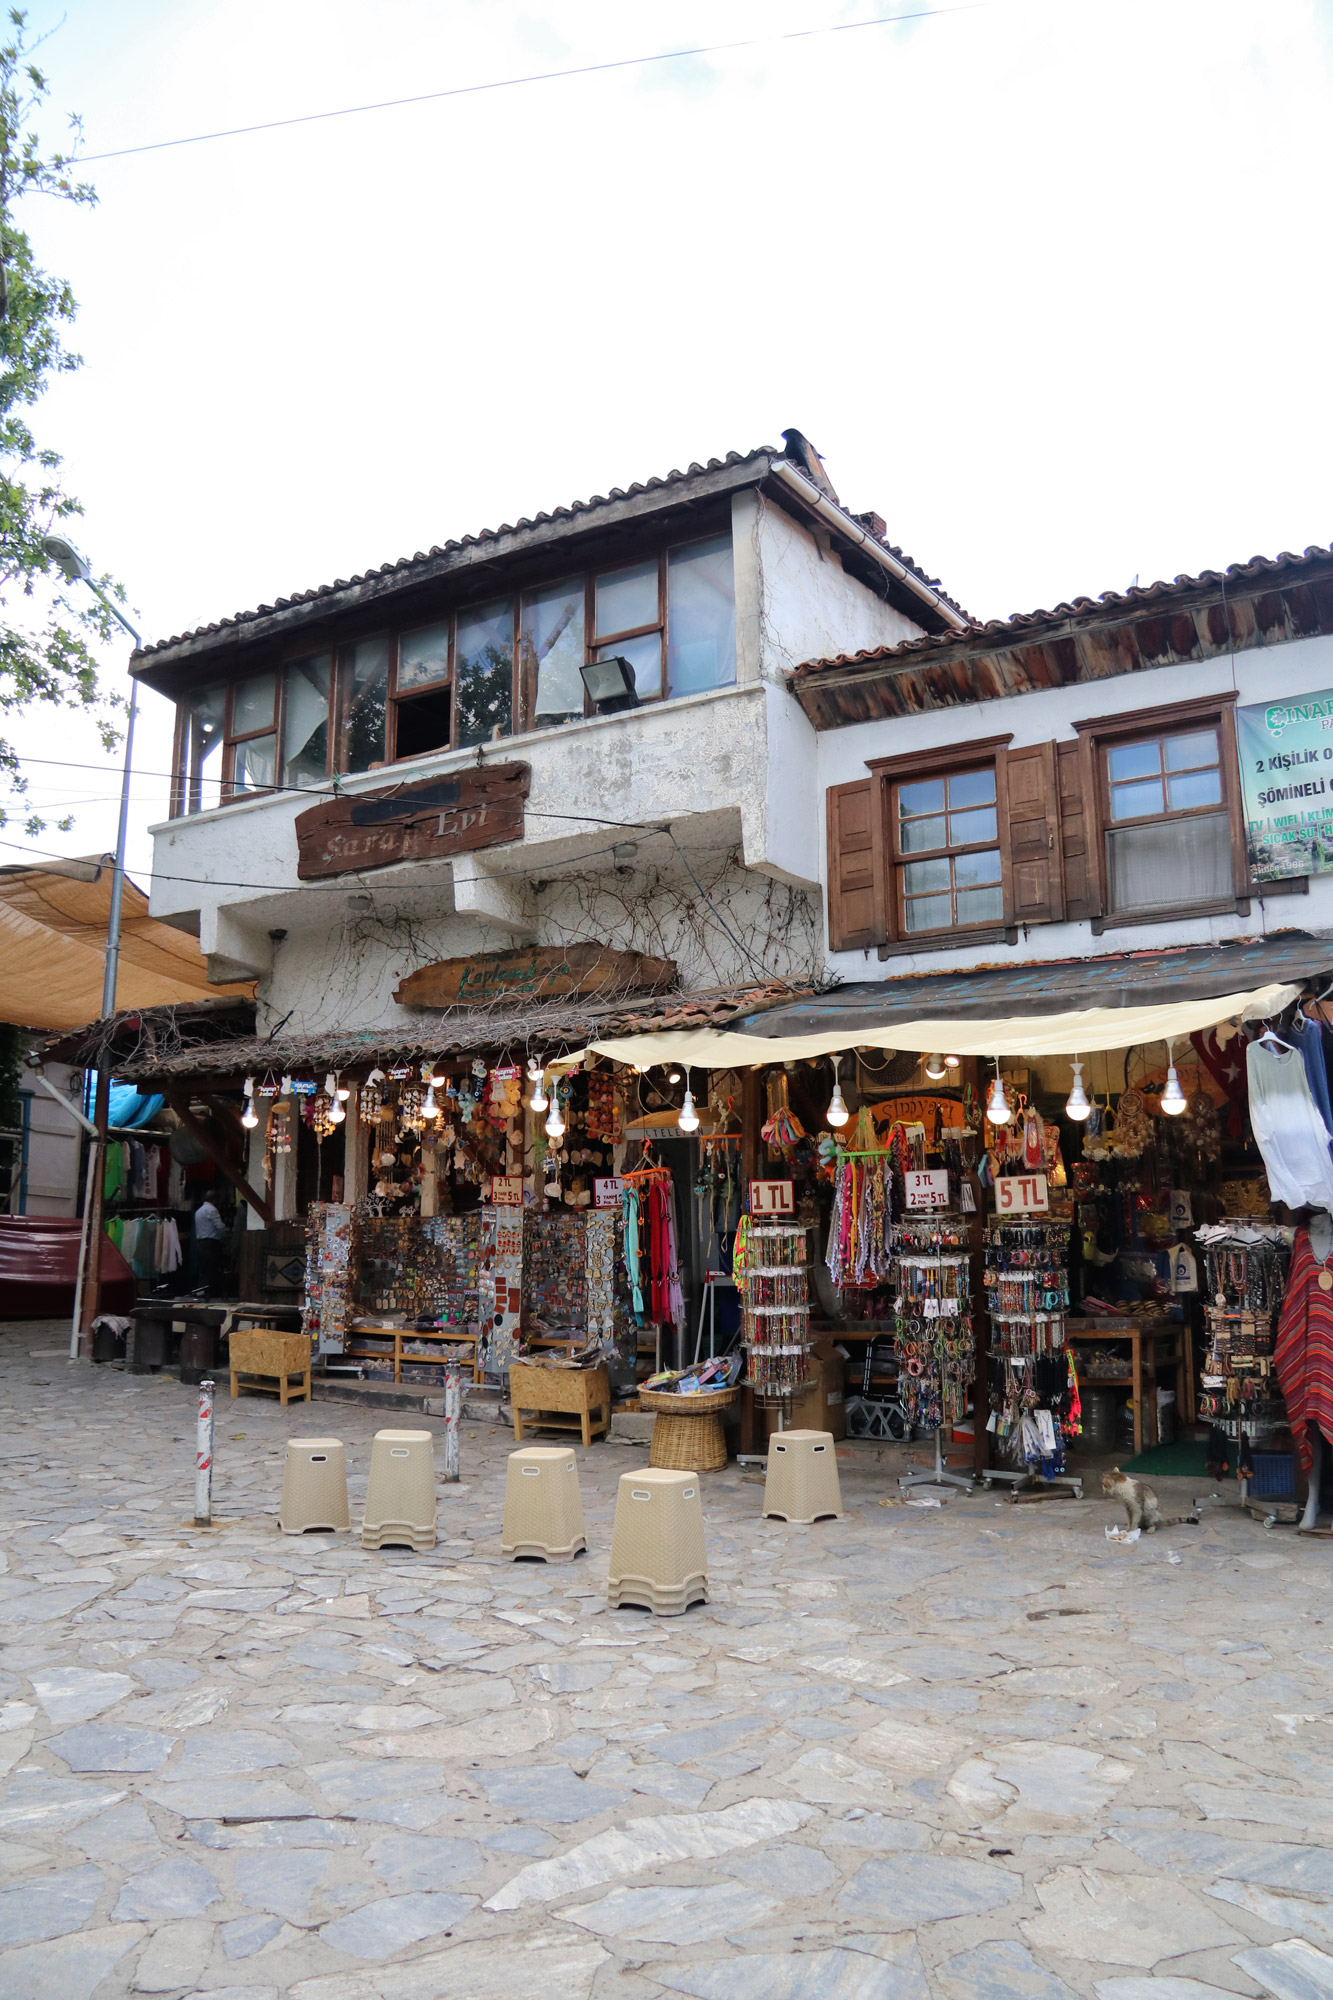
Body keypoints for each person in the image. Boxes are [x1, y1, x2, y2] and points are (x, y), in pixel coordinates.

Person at [193, 1192, 228, 1295]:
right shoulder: (212, 1210)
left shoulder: (198, 1212)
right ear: (214, 1200)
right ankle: (212, 1293)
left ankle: (201, 1293)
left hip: (200, 1243)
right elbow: (220, 1227)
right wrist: (227, 1236)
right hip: (211, 1244)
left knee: (203, 1270)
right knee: (212, 1270)